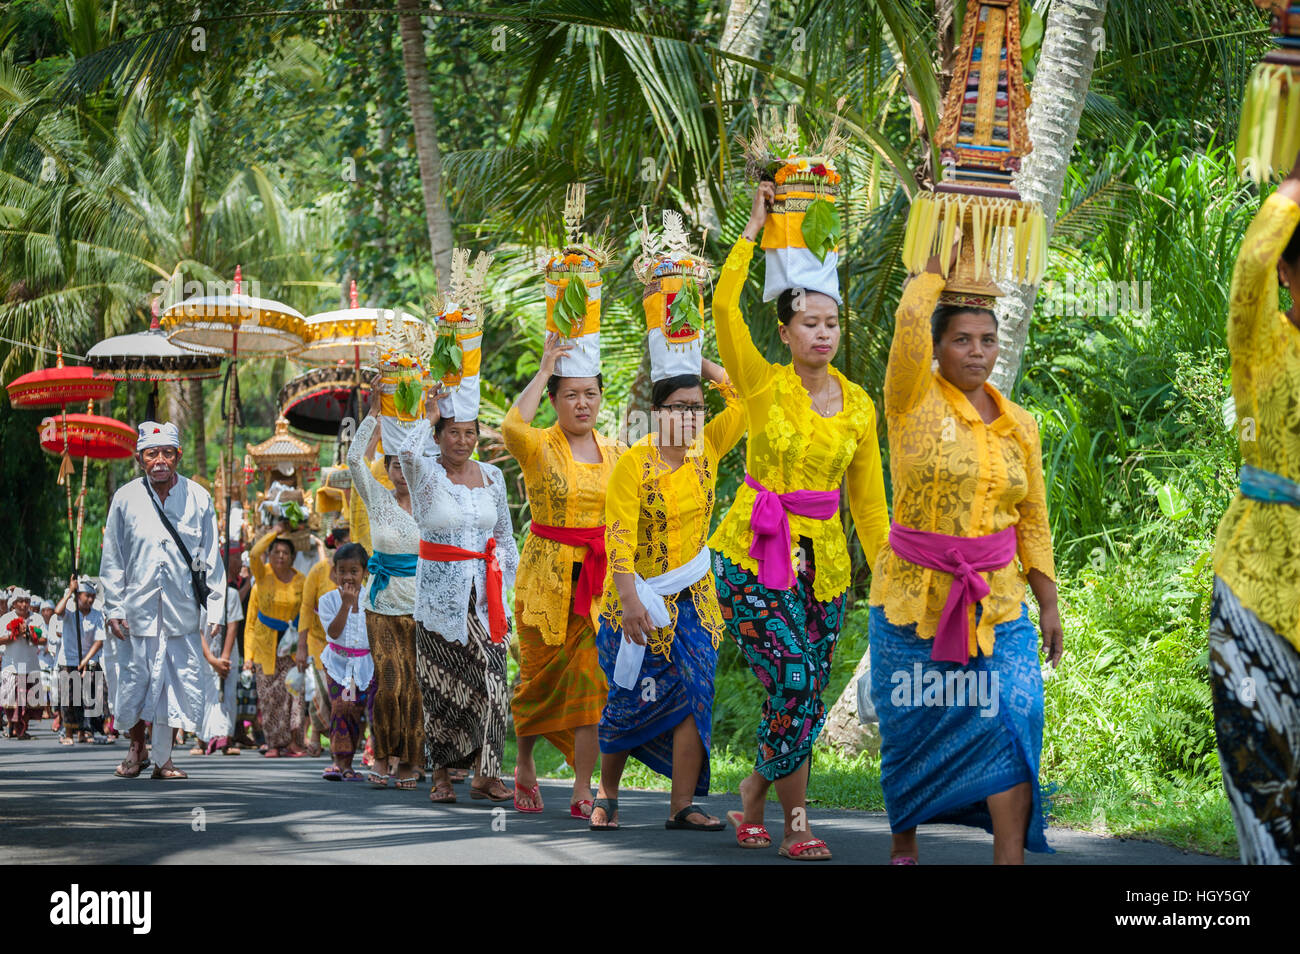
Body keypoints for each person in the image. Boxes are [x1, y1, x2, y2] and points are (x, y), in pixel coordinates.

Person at [867, 237, 1062, 864]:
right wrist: (934, 255)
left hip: (998, 602)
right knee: (910, 724)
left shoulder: (1021, 424)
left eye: (987, 340)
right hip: (909, 595)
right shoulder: (910, 401)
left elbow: (1033, 517)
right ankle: (905, 847)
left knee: (1016, 716)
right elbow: (905, 324)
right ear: (937, 346)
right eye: (961, 340)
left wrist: (1049, 602)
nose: (976, 352)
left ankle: (1009, 858)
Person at [710, 182, 890, 860]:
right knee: (791, 680)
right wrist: (753, 231)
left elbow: (868, 504)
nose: (823, 333)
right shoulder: (760, 384)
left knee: (805, 695)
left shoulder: (859, 407)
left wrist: (892, 574)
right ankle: (796, 824)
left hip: (827, 571)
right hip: (752, 555)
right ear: (784, 332)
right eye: (808, 323)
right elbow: (725, 306)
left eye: (831, 322)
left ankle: (757, 794)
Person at [593, 357, 743, 831]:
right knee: (627, 692)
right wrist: (631, 601)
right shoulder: (634, 464)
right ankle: (606, 794)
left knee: (695, 690)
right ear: (658, 412)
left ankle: (682, 805)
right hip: (636, 595)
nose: (691, 417)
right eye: (680, 407)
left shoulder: (709, 450)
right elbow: (617, 534)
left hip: (696, 598)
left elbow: (746, 400)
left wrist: (695, 358)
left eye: (697, 408)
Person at [1210, 150, 1300, 865]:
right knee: (1264, 788)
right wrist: (1294, 186)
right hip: (1258, 592)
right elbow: (1247, 280)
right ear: (1291, 274)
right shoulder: (1264, 346)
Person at [503, 333, 624, 815]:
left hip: (598, 586)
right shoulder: (538, 446)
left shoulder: (617, 452)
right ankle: (525, 763)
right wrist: (544, 367)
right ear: (553, 400)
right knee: (535, 678)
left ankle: (581, 787)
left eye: (590, 393)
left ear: (600, 398)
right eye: (570, 394)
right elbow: (512, 427)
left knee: (591, 683)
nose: (582, 403)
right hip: (543, 582)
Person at [401, 390, 519, 805]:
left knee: (494, 684)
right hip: (439, 599)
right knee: (443, 688)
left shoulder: (492, 476)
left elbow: (503, 533)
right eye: (453, 432)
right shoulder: (425, 475)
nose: (463, 441)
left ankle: (487, 774)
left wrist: (508, 584)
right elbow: (406, 454)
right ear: (438, 436)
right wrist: (428, 412)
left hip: (487, 599)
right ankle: (441, 776)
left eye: (470, 433)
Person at [100, 421, 227, 779]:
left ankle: (163, 760)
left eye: (167, 453)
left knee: (174, 684)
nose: (160, 460)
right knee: (136, 682)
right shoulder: (125, 498)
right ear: (140, 458)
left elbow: (209, 558)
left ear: (178, 456)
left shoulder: (198, 498)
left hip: (180, 612)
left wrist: (214, 608)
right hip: (135, 613)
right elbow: (113, 559)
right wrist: (113, 608)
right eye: (152, 453)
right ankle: (136, 748)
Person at [348, 389, 425, 790]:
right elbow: (352, 461)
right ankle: (381, 755)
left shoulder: (433, 503)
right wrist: (375, 414)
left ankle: (412, 761)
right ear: (389, 468)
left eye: (407, 464)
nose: (401, 471)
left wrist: (428, 406)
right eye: (394, 465)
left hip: (423, 607)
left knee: (414, 688)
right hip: (381, 605)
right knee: (390, 685)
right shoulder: (377, 499)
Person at [246, 527, 307, 758]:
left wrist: (305, 645)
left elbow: (308, 614)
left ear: (292, 557)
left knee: (295, 696)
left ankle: (294, 743)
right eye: (276, 551)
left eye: (285, 552)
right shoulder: (262, 574)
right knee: (271, 698)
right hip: (266, 648)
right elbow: (254, 554)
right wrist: (275, 532)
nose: (281, 555)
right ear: (270, 555)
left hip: (293, 648)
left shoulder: (301, 580)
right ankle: (274, 744)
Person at [317, 542, 376, 780]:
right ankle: (338, 762)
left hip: (361, 667)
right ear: (335, 572)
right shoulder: (328, 600)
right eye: (342, 571)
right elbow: (333, 632)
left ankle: (347, 763)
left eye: (354, 571)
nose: (348, 577)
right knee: (340, 707)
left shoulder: (373, 599)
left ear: (364, 572)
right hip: (337, 663)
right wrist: (345, 605)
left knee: (353, 711)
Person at [296, 531, 337, 757]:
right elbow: (305, 607)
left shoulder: (358, 570)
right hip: (318, 640)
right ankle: (314, 735)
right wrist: (301, 646)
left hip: (345, 642)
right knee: (319, 689)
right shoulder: (318, 571)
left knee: (339, 693)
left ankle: (337, 737)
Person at [53, 577, 107, 743]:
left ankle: (86, 732)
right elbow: (57, 611)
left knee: (92, 696)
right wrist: (70, 591)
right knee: (70, 698)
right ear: (78, 596)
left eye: (92, 596)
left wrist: (85, 661)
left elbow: (99, 641)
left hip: (89, 660)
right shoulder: (70, 611)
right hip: (68, 660)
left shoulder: (97, 615)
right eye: (86, 596)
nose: (90, 600)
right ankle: (68, 733)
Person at [198, 574, 243, 756]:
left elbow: (233, 625)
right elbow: (196, 628)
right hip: (204, 653)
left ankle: (225, 738)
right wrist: (210, 658)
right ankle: (202, 739)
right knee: (205, 695)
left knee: (227, 695)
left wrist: (222, 659)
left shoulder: (230, 594)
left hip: (227, 654)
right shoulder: (197, 595)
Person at [0, 589, 44, 739]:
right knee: (12, 701)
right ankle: (12, 726)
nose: (24, 605)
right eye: (20, 601)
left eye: (26, 601)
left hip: (30, 665)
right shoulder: (6, 618)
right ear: (14, 604)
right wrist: (15, 634)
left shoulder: (36, 618)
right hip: (11, 667)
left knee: (28, 703)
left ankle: (22, 730)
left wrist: (31, 634)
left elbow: (44, 639)